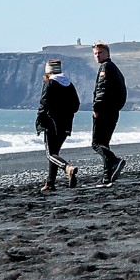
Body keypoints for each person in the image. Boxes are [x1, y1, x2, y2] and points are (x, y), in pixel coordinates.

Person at [36, 58, 79, 193]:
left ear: (48, 71)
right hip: (66, 123)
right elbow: (76, 105)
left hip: (51, 122)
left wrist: (40, 120)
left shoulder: (50, 83)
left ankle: (67, 168)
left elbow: (44, 103)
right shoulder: (69, 84)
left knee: (50, 154)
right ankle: (50, 183)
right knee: (55, 152)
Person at [90, 42, 127, 184]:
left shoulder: (106, 67)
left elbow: (101, 91)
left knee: (96, 143)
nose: (97, 56)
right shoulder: (113, 68)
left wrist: (97, 108)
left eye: (100, 53)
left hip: (105, 111)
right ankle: (107, 176)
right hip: (112, 110)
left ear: (107, 54)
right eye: (95, 53)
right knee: (104, 143)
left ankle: (115, 161)